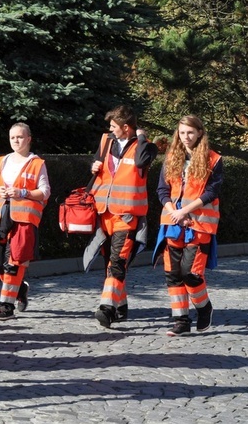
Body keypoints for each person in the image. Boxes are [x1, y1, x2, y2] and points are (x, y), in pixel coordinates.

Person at [87, 105, 158, 328]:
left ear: (126, 128)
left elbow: (139, 163)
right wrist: (93, 166)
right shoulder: (106, 141)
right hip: (103, 213)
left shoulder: (145, 147)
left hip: (127, 216)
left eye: (114, 126)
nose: (110, 130)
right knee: (110, 261)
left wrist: (141, 135)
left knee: (118, 262)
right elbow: (98, 168)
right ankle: (121, 305)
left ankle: (107, 308)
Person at [154, 115, 222, 336]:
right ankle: (181, 320)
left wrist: (185, 211)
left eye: (190, 132)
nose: (186, 137)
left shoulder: (213, 159)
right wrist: (174, 211)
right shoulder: (171, 157)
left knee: (190, 273)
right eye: (182, 133)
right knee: (172, 273)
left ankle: (204, 307)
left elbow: (212, 191)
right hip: (173, 222)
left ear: (200, 133)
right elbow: (162, 190)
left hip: (199, 223)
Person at [0, 123, 51, 320]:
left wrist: (23, 192)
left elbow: (45, 192)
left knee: (14, 261)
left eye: (20, 137)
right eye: (12, 137)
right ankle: (19, 288)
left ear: (29, 139)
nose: (15, 141)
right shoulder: (1, 161)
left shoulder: (37, 163)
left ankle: (6, 307)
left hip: (23, 220)